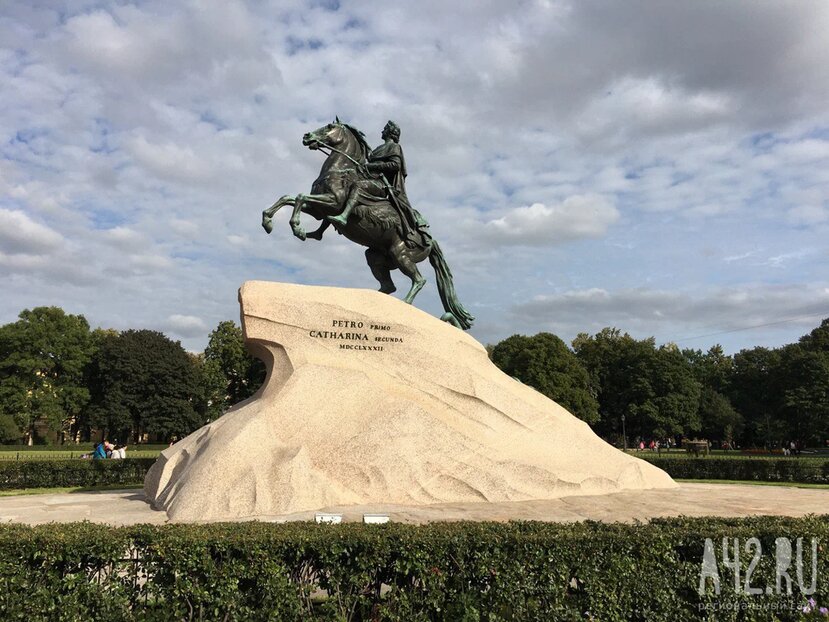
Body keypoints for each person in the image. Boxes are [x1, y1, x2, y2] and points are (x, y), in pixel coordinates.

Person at [330, 120, 430, 247]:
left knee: (358, 187)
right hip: (370, 179)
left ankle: (344, 216)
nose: (382, 131)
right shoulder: (378, 149)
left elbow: (395, 165)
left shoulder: (394, 147)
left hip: (382, 184)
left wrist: (371, 166)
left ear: (390, 132)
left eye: (384, 129)